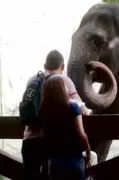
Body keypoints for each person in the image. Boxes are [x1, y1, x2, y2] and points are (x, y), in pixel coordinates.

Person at [21, 50, 92, 180]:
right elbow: (83, 110)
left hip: (28, 141)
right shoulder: (63, 80)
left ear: (44, 65)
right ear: (63, 66)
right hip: (47, 143)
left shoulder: (32, 80)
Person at [39, 76, 92, 180]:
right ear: (62, 89)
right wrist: (88, 151)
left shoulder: (43, 110)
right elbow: (81, 134)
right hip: (74, 158)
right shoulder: (73, 107)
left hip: (54, 161)